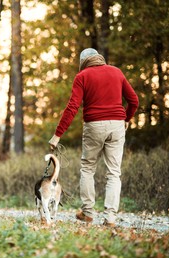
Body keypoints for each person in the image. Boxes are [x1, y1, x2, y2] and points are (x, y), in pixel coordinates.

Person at [48, 48, 139, 227]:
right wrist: (126, 119)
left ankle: (88, 213)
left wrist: (57, 135)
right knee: (114, 172)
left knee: (88, 168)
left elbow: (73, 106)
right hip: (117, 125)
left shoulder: (82, 76)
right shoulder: (117, 72)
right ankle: (110, 218)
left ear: (83, 62)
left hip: (94, 125)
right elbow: (134, 100)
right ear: (99, 58)